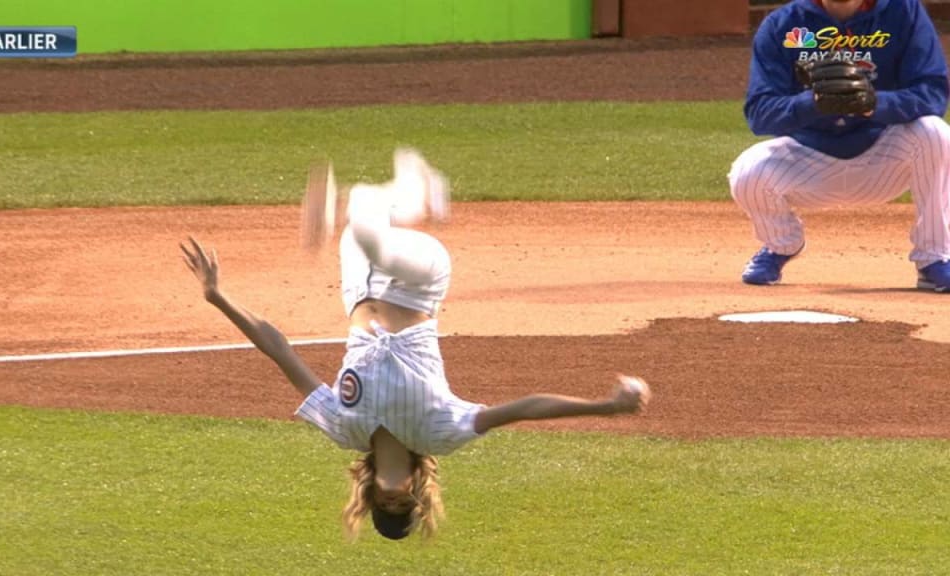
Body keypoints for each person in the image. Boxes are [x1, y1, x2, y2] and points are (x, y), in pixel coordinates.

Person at [180, 148, 651, 541]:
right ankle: (411, 191)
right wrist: (604, 407)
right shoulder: (439, 433)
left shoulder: (344, 427)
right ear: (416, 487)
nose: (393, 500)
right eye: (404, 504)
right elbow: (523, 408)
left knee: (361, 232)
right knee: (368, 231)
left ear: (367, 495)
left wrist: (218, 297)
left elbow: (280, 351)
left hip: (357, 284)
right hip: (421, 282)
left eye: (384, 508)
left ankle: (407, 193)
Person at [729, 0, 950, 291]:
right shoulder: (784, 24)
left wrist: (874, 103)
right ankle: (781, 243)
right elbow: (759, 113)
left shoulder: (902, 11)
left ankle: (934, 257)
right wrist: (813, 102)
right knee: (747, 172)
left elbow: (933, 92)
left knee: (934, 133)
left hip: (883, 157)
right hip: (809, 161)